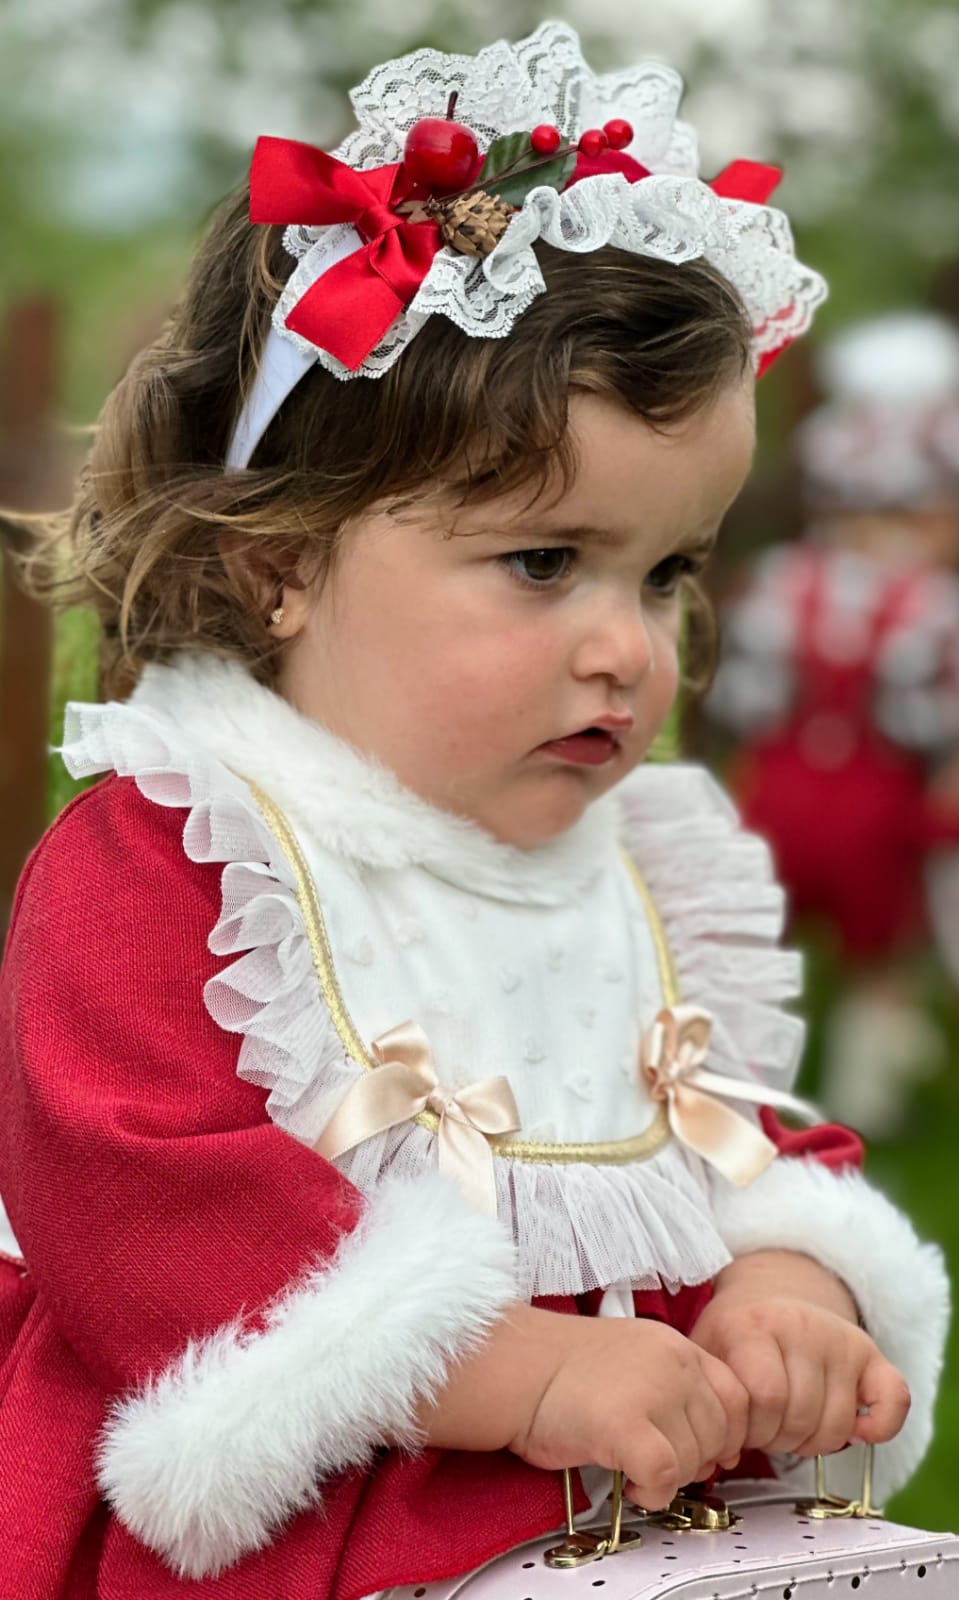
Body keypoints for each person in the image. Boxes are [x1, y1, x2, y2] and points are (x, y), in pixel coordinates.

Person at [0, 23, 948, 1600]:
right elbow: (143, 1209)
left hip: (635, 1500)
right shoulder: (191, 847)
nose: (621, 644)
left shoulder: (629, 863)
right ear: (282, 563)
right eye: (539, 563)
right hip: (318, 1518)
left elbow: (724, 1130)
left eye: (665, 573)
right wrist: (521, 1377)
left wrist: (782, 1281)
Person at [708, 312, 959, 1136]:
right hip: (875, 801)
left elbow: (745, 698)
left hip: (776, 788)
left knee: (750, 947)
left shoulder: (780, 580)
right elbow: (925, 718)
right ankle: (864, 1105)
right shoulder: (930, 605)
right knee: (875, 957)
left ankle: (728, 1084)